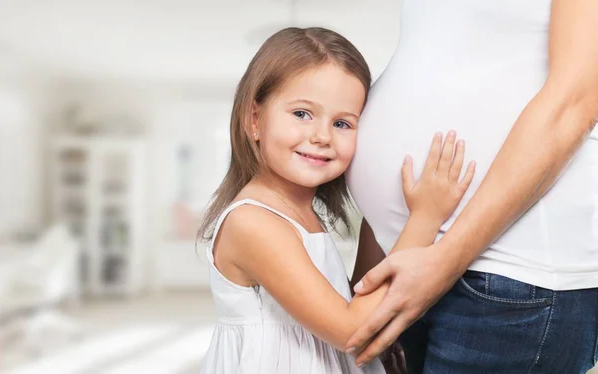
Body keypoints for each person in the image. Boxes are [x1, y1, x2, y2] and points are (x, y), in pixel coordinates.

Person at [196, 27, 475, 373]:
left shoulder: (300, 213)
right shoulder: (253, 222)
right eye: (301, 114)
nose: (322, 136)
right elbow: (352, 330)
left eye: (342, 123)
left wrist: (378, 210)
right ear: (254, 119)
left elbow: (356, 299)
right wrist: (425, 218)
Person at [346, 1, 598, 372]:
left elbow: (575, 101)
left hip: (510, 274)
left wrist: (443, 262)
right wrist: (373, 278)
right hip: (415, 263)